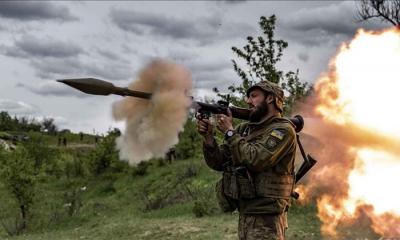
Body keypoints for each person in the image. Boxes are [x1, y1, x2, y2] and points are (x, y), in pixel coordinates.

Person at [197, 81, 297, 240]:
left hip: (267, 216)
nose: (248, 101)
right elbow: (219, 162)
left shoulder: (283, 130)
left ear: (270, 98)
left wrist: (230, 133)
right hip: (246, 212)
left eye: (253, 96)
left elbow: (256, 159)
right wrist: (208, 138)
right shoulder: (245, 129)